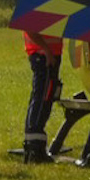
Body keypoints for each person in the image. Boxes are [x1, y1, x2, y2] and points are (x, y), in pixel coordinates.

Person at [20, 27, 63, 163]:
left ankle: (35, 145)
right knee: (41, 99)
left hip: (51, 54)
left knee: (46, 98)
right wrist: (47, 50)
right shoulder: (35, 6)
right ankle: (34, 148)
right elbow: (30, 29)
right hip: (43, 55)